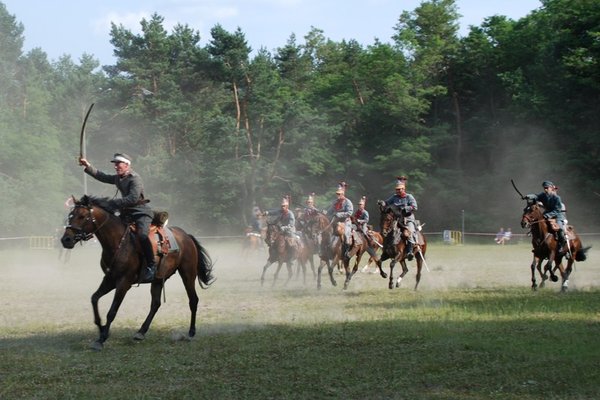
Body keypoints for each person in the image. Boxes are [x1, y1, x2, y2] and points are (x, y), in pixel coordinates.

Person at [79, 153, 156, 282]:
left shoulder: (135, 179)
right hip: (126, 213)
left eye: (118, 164)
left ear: (127, 165)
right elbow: (102, 176)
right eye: (115, 164)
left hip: (141, 212)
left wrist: (112, 203)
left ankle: (151, 266)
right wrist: (88, 166)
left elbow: (133, 198)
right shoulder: (118, 178)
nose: (115, 167)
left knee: (142, 235)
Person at [381, 176, 418, 260]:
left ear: (403, 189)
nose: (397, 191)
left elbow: (415, 207)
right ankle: (387, 249)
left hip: (408, 219)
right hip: (397, 220)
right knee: (389, 231)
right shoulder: (394, 197)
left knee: (408, 233)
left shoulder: (409, 197)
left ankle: (410, 251)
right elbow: (386, 202)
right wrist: (382, 203)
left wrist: (405, 208)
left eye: (399, 189)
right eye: (396, 189)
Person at [525, 180, 568, 254]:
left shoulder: (557, 198)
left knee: (560, 229)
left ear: (551, 188)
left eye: (546, 187)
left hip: (557, 216)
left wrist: (547, 215)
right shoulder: (543, 195)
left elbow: (557, 210)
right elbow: (536, 196)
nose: (545, 189)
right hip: (547, 214)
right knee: (536, 224)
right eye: (544, 188)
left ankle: (561, 246)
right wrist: (528, 196)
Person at [326, 182, 354, 257]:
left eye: (339, 194)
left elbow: (349, 213)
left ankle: (347, 252)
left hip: (345, 222)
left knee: (346, 235)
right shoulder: (335, 202)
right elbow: (330, 210)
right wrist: (325, 212)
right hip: (336, 222)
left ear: (342, 194)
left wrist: (339, 214)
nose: (337, 195)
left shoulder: (348, 202)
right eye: (337, 194)